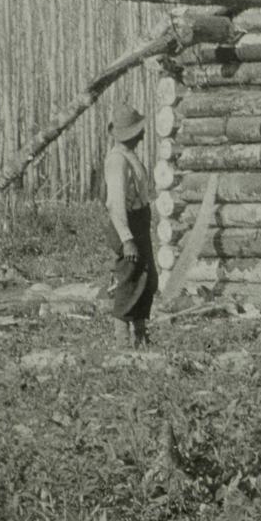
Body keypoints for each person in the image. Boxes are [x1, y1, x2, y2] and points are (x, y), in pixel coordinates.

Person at [104, 103, 157, 348]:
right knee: (128, 279)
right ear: (130, 134)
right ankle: (122, 342)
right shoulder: (117, 161)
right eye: (139, 130)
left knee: (146, 278)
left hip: (138, 221)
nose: (143, 134)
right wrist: (127, 239)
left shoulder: (129, 155)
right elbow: (116, 204)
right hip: (126, 223)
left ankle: (140, 336)